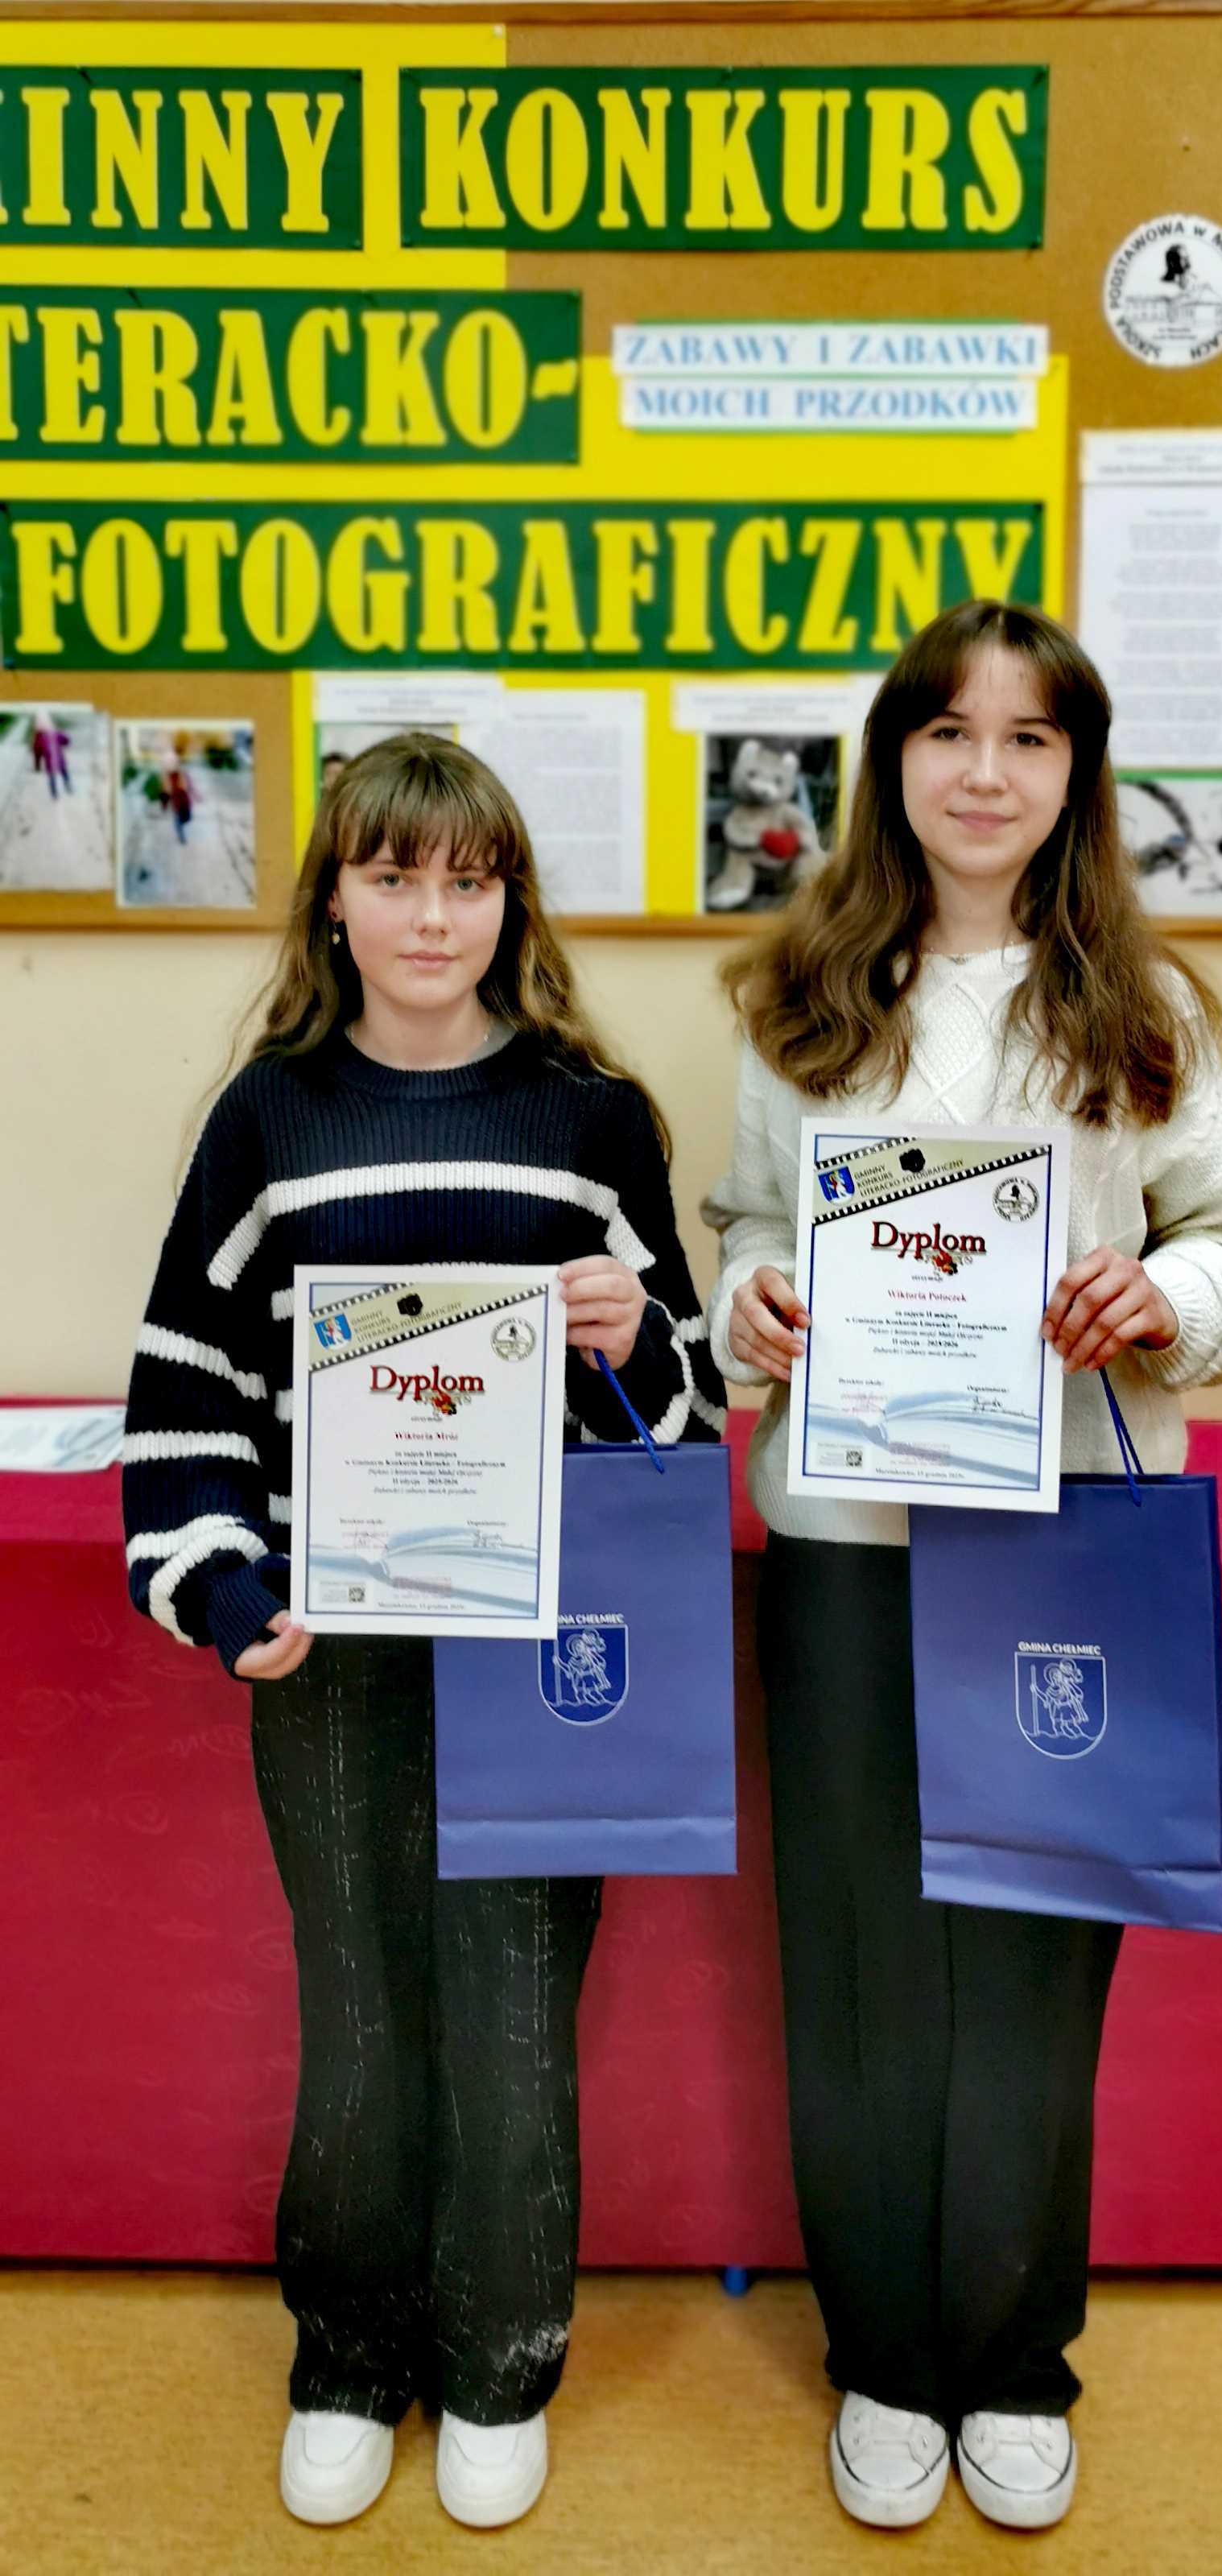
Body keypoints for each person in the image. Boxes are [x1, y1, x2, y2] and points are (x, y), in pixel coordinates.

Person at [702, 601, 1222, 2535]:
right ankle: (885, 2356)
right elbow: (741, 1230)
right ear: (893, 761)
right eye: (948, 731)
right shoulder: (798, 995)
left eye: (1030, 739)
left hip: (1061, 1551)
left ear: (1076, 775)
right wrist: (753, 1303)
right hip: (849, 1549)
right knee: (859, 1961)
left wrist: (1163, 1295)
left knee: (1038, 1958)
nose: (984, 770)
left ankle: (1017, 2358)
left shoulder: (1148, 1009)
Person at [122, 733, 725, 2532]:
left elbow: (688, 1413)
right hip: (333, 1654)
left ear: (510, 903)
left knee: (516, 2015)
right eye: (394, 877)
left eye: (468, 881)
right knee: (365, 2012)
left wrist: (633, 1341)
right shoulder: (268, 1119)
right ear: (336, 900)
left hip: (543, 1654)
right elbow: (185, 1396)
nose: (432, 916)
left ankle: (499, 2361)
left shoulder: (590, 1119)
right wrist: (229, 1593)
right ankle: (345, 2354)